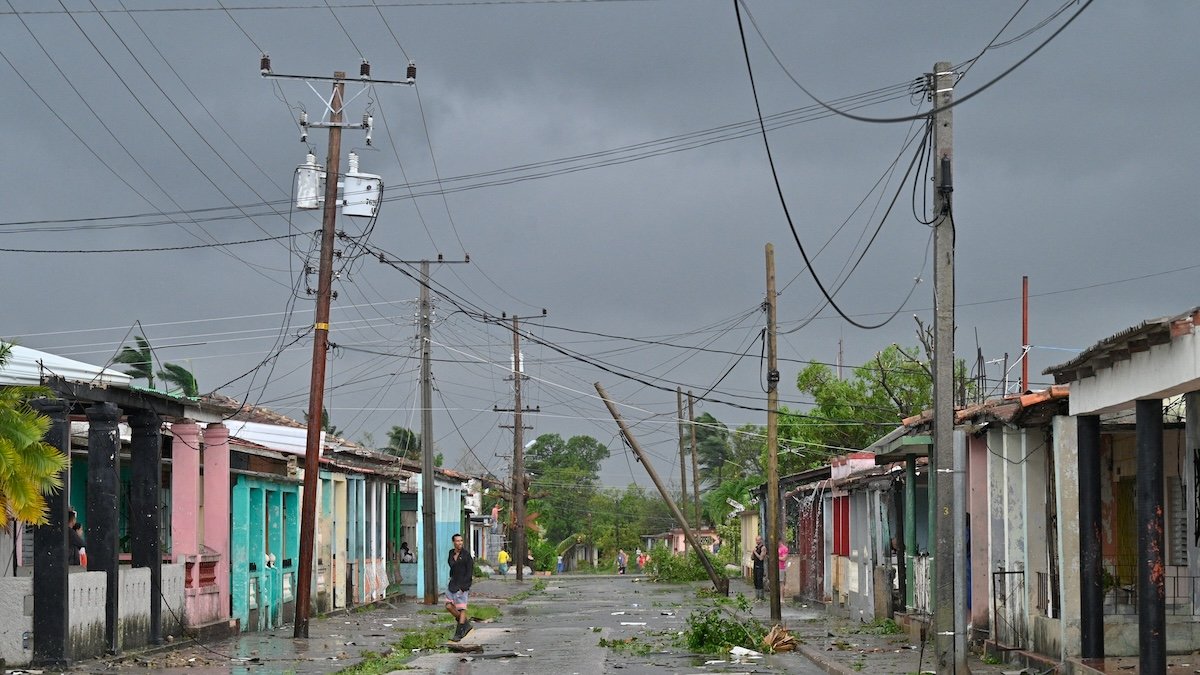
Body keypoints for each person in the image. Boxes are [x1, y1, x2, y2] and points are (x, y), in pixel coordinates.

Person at [445, 533, 474, 642]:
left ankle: (459, 632)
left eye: (461, 541)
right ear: (453, 542)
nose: (460, 543)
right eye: (457, 541)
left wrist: (464, 586)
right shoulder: (451, 553)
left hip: (462, 584)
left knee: (462, 608)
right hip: (453, 583)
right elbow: (451, 565)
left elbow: (469, 571)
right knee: (448, 606)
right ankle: (465, 623)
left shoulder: (466, 555)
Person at [751, 535, 766, 600]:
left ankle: (761, 596)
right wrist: (753, 552)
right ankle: (756, 596)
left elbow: (761, 558)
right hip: (755, 565)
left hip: (760, 566)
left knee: (760, 580)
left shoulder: (763, 548)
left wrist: (755, 552)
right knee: (755, 580)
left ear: (761, 540)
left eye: (759, 540)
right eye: (756, 540)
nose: (757, 541)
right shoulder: (756, 548)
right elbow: (752, 558)